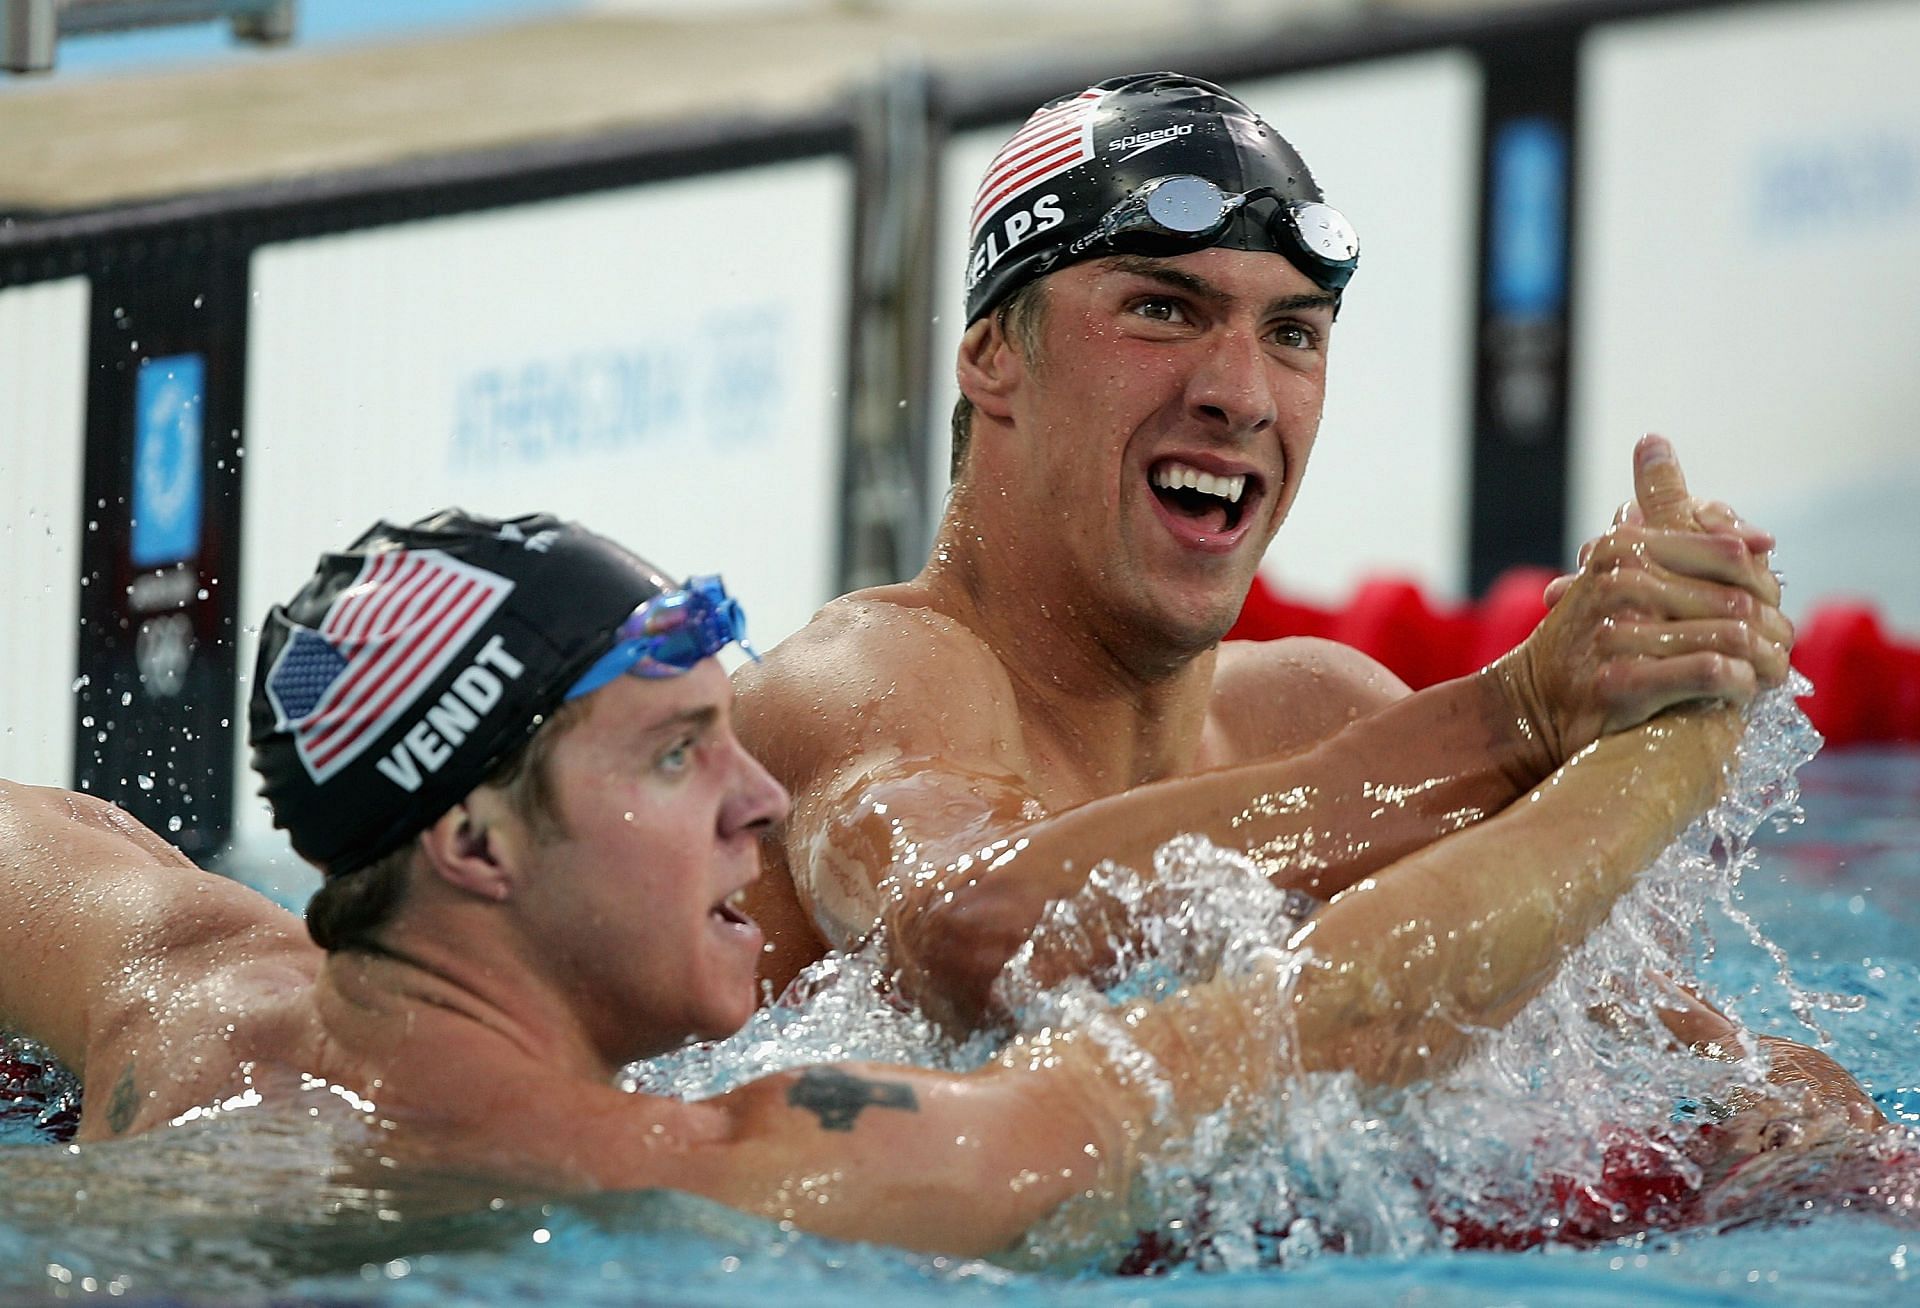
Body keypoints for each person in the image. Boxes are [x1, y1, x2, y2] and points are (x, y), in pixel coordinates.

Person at [0, 508, 1836, 1262]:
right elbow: (1345, 1011)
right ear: (473, 842)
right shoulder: (767, 1165)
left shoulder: (195, 1007)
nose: (755, 799)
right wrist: (1660, 731)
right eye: (672, 754)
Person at [733, 72, 1797, 1028]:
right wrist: (1515, 716)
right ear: (994, 355)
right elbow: (971, 937)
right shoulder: (872, 678)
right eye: (1161, 309)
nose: (1239, 395)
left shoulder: (1315, 717)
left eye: (1292, 334)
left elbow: (1679, 1053)